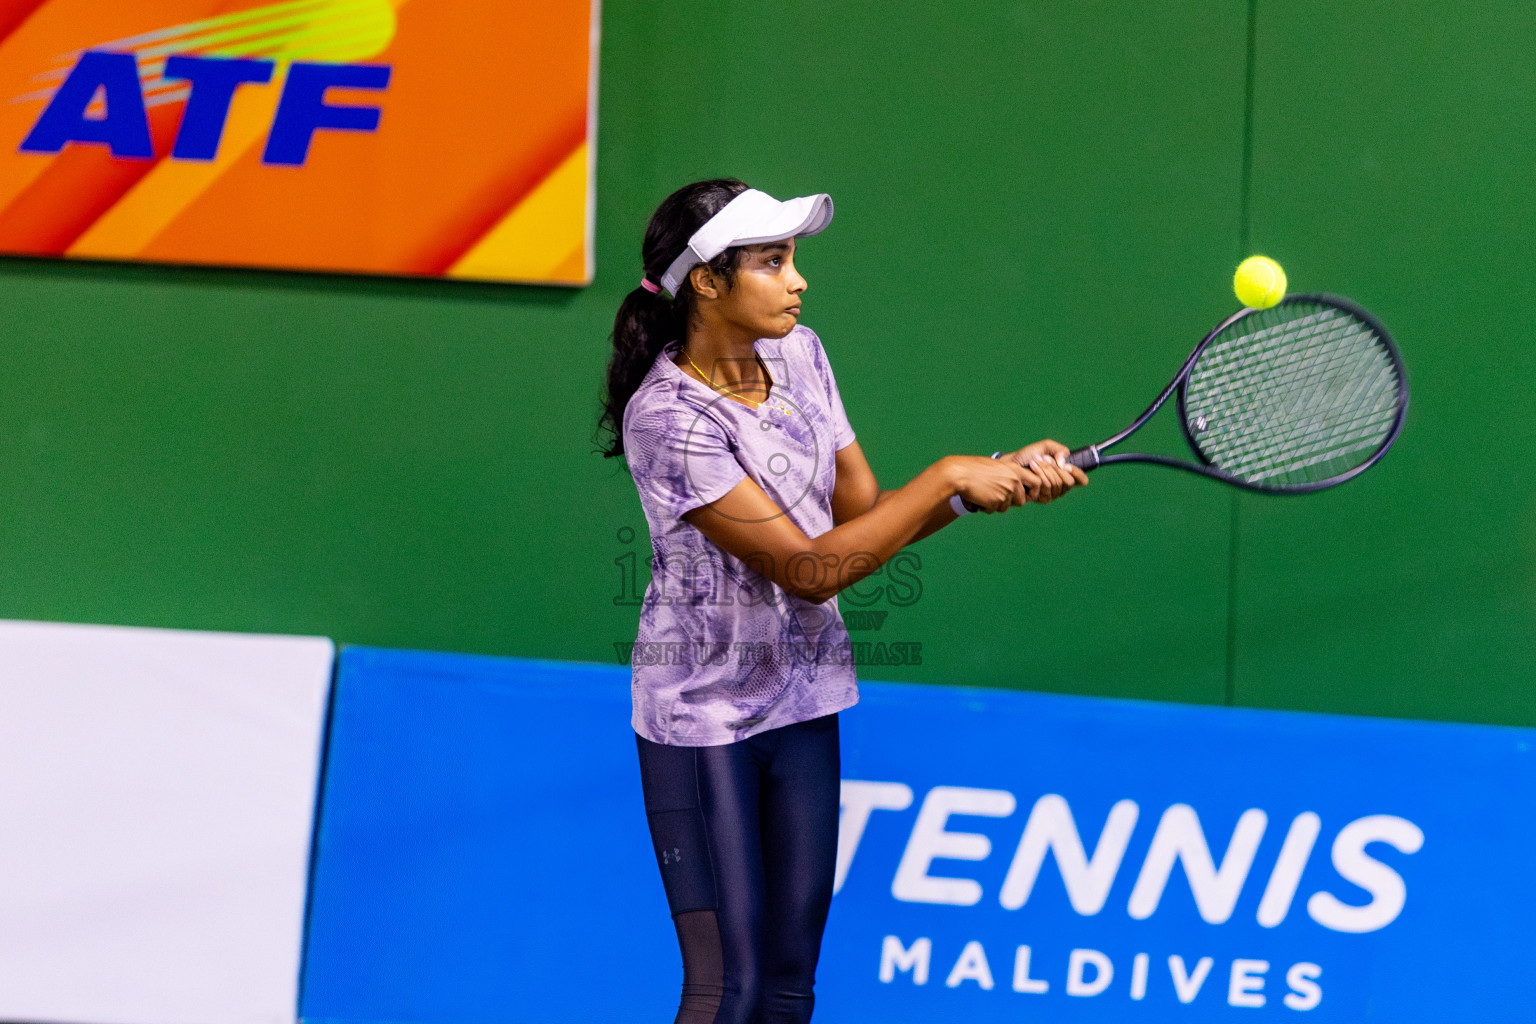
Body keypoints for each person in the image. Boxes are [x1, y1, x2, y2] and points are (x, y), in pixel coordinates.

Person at [597, 179, 1087, 1024]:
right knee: (728, 984)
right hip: (701, 720)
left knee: (788, 984)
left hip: (804, 702)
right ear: (707, 283)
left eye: (795, 260)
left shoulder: (801, 355)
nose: (799, 281)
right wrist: (946, 474)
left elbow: (860, 521)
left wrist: (979, 486)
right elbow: (809, 570)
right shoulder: (668, 419)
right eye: (773, 262)